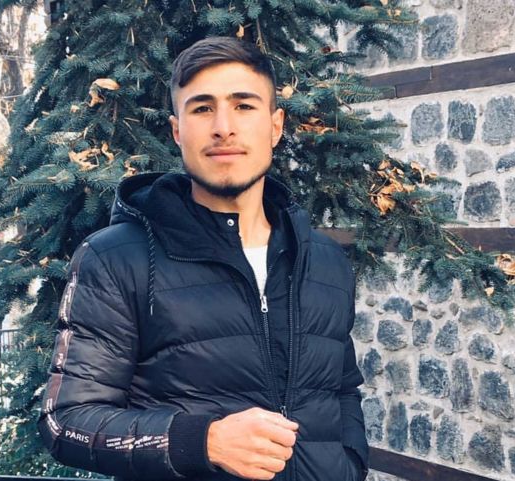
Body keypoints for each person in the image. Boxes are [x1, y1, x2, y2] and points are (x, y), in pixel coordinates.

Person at [38, 37, 368, 481]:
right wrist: (202, 441)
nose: (223, 127)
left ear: (275, 126)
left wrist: (350, 464)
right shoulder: (115, 259)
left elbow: (342, 390)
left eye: (244, 106)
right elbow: (66, 422)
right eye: (202, 108)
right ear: (178, 131)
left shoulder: (324, 260)